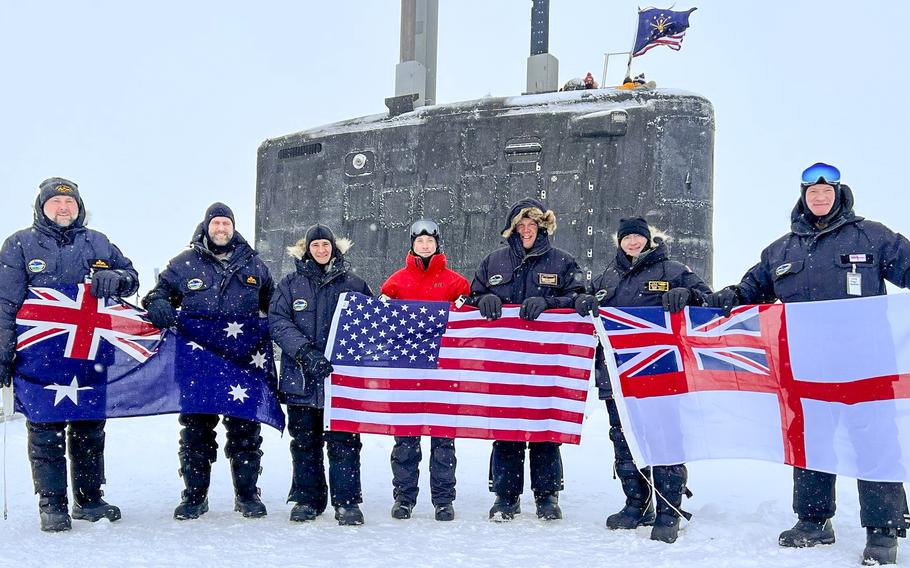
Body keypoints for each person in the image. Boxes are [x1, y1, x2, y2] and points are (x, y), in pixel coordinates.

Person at [704, 162, 910, 565]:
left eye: (826, 192)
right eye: (812, 193)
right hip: (808, 366)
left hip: (866, 366)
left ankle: (883, 530)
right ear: (803, 197)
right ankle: (814, 521)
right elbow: (752, 289)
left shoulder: (872, 236)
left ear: (839, 194)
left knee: (874, 443)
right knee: (812, 443)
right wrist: (724, 296)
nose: (819, 198)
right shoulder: (781, 250)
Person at [0, 177, 138, 532]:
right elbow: (4, 305)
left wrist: (117, 279)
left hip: (90, 354)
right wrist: (1, 355)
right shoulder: (19, 245)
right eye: (55, 203)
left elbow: (132, 276)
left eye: (70, 203)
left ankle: (90, 499)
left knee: (89, 429)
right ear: (41, 208)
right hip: (39, 358)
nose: (64, 209)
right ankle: (52, 503)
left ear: (79, 207)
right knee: (45, 429)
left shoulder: (98, 241)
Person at [574, 217, 710, 543]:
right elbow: (583, 302)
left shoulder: (672, 269)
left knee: (664, 440)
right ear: (619, 241)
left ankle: (668, 511)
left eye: (638, 237)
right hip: (617, 377)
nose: (633, 242)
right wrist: (582, 301)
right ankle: (636, 504)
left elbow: (707, 298)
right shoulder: (608, 277)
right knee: (624, 441)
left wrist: (686, 294)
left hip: (659, 373)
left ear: (648, 240)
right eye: (627, 238)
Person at [142, 203, 274, 520]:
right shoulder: (183, 264)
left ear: (233, 228)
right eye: (216, 223)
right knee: (196, 432)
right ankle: (194, 496)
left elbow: (276, 305)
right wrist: (157, 303)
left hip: (242, 363)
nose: (221, 229)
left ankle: (247, 494)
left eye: (226, 223)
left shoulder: (254, 265)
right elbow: (156, 294)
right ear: (206, 227)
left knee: (245, 432)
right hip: (197, 364)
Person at [470, 197, 585, 522]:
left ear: (541, 226)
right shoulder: (493, 262)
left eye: (531, 225)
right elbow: (471, 297)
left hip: (548, 363)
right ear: (512, 229)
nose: (526, 230)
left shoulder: (562, 262)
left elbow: (579, 297)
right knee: (507, 429)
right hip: (504, 362)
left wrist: (549, 303)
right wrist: (485, 299)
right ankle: (505, 497)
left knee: (545, 429)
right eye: (520, 225)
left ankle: (547, 497)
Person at [268, 224, 372, 525]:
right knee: (304, 443)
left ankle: (347, 501)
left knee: (345, 442)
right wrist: (304, 352)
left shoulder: (354, 284)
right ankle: (306, 499)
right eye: (316, 246)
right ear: (307, 249)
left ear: (334, 248)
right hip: (301, 379)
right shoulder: (290, 285)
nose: (321, 250)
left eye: (326, 245)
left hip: (341, 384)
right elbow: (277, 321)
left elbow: (370, 323)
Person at [380, 219, 470, 522]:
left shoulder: (456, 283)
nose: (425, 246)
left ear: (437, 244)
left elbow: (466, 318)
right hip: (406, 371)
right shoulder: (395, 282)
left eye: (430, 242)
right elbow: (382, 318)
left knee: (443, 439)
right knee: (406, 438)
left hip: (444, 371)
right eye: (420, 242)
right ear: (412, 245)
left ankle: (443, 500)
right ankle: (404, 498)